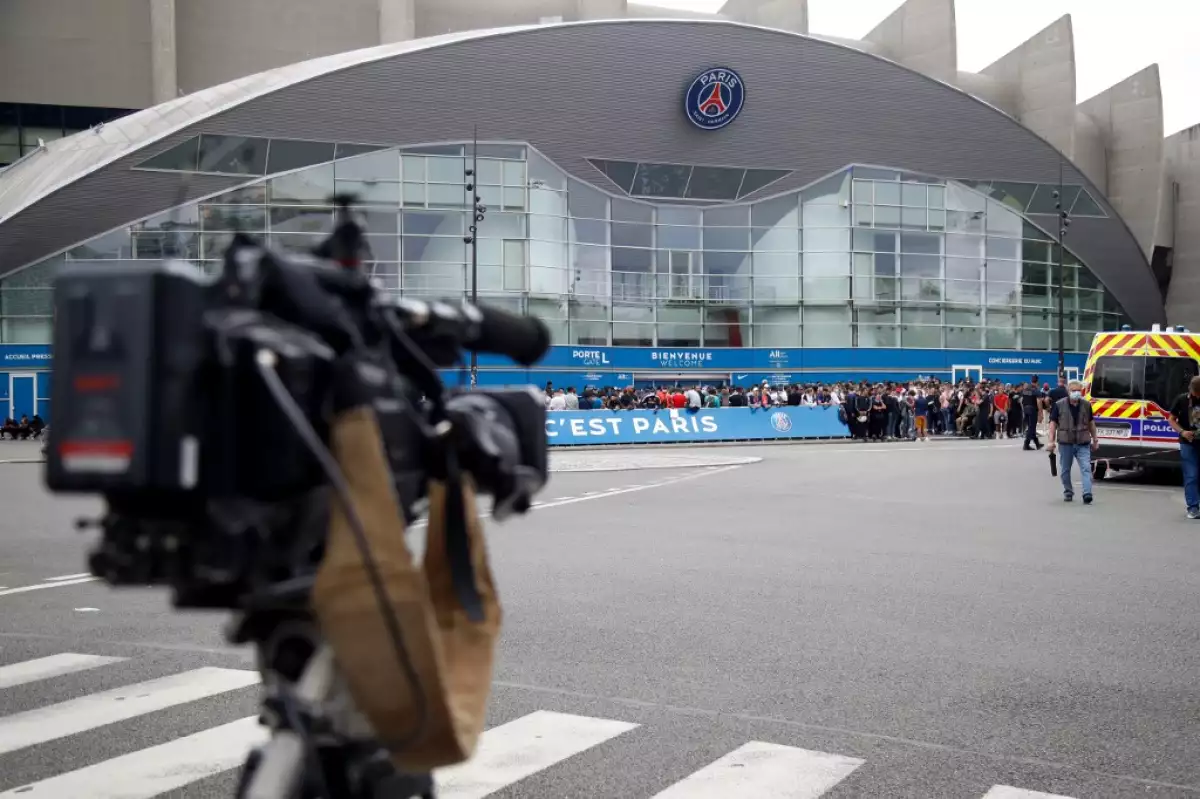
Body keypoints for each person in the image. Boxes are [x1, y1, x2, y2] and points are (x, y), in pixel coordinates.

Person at [1047, 379, 1099, 504]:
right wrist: (1051, 441)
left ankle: (1087, 493)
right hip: (1066, 443)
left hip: (1083, 443)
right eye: (1073, 390)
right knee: (1065, 470)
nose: (1076, 393)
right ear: (1068, 391)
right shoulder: (1059, 405)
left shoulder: (1086, 405)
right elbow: (1053, 424)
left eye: (1078, 390)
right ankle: (1068, 491)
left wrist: (1095, 439)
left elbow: (1091, 423)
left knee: (1086, 468)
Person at [1168, 375, 1200, 519]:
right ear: (1191, 390)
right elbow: (1171, 419)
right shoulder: (1182, 400)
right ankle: (1193, 507)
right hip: (1188, 444)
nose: (1197, 396)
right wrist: (1182, 432)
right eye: (1196, 393)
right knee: (1191, 475)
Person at [1020, 377, 1044, 451]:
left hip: (1025, 409)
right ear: (1037, 382)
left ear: (1031, 381)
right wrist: (1040, 414)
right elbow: (1039, 402)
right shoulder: (1036, 390)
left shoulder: (1025, 389)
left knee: (1031, 427)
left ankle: (1037, 443)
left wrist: (1023, 410)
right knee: (1031, 427)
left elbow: (1021, 400)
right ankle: (1026, 444)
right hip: (1032, 409)